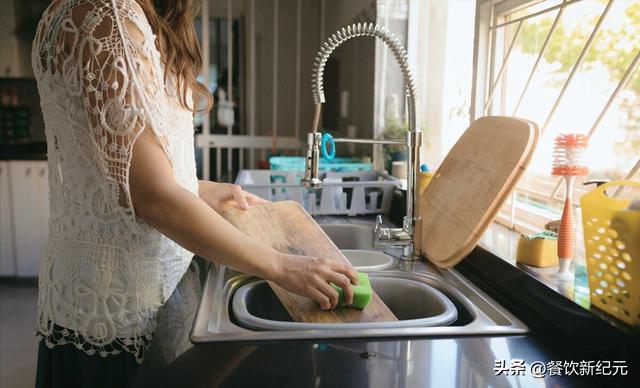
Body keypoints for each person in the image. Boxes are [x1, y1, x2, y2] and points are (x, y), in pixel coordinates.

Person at [31, 1, 357, 386]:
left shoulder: (83, 11)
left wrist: (200, 189)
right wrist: (281, 266)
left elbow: (109, 173)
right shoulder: (111, 16)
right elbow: (151, 196)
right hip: (122, 311)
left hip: (104, 299)